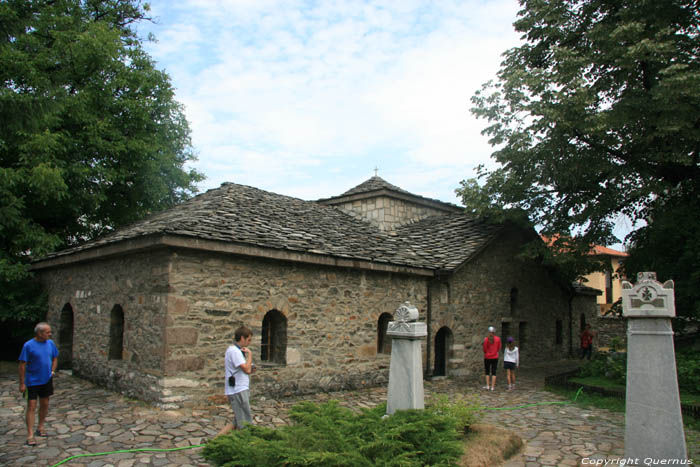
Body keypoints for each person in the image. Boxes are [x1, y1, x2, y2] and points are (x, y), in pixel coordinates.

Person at [18, 322, 59, 446]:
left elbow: (55, 357)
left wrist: (52, 370)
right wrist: (22, 383)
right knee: (31, 406)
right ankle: (30, 434)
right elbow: (22, 364)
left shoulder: (50, 344)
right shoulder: (28, 346)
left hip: (46, 380)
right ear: (39, 333)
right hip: (32, 381)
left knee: (45, 404)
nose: (49, 334)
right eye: (47, 332)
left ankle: (40, 427)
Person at [216, 326, 256, 437]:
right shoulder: (234, 351)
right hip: (238, 390)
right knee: (244, 421)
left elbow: (247, 369)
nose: (249, 343)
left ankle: (215, 441)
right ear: (242, 338)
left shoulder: (238, 351)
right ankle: (244, 442)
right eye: (248, 340)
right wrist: (250, 355)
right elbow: (246, 369)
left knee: (238, 420)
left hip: (241, 388)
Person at [482, 326, 501, 391]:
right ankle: (492, 387)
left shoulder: (486, 339)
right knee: (494, 372)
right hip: (495, 357)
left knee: (487, 372)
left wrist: (487, 353)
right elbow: (499, 348)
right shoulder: (498, 339)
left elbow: (484, 349)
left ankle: (487, 385)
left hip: (487, 357)